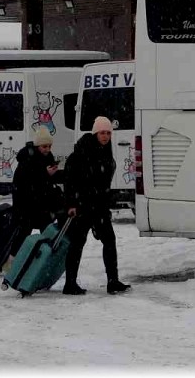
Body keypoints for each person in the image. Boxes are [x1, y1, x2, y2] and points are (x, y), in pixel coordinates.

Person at [62, 116, 130, 295]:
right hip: (83, 205)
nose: (106, 136)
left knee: (109, 240)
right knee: (77, 243)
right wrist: (71, 204)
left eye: (108, 133)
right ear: (95, 133)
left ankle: (112, 280)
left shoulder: (106, 152)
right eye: (102, 133)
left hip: (99, 206)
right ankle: (70, 283)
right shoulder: (81, 153)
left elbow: (103, 182)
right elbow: (69, 180)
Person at [6, 125, 64, 271]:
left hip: (41, 203)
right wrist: (46, 174)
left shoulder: (47, 157)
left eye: (49, 146)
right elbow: (25, 182)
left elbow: (45, 179)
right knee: (23, 233)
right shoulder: (27, 159)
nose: (47, 149)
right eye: (44, 146)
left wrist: (58, 174)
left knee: (46, 232)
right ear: (38, 145)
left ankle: (44, 262)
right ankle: (10, 263)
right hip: (26, 204)